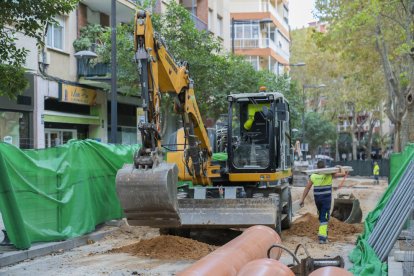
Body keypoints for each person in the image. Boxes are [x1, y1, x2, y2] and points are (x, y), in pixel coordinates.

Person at [299, 160, 347, 244]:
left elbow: (307, 188)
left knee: (322, 217)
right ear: (325, 167)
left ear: (317, 168)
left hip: (318, 201)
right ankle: (322, 238)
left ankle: (324, 235)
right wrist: (339, 167)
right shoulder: (329, 174)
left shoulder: (313, 176)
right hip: (326, 200)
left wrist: (302, 199)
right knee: (324, 219)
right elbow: (343, 173)